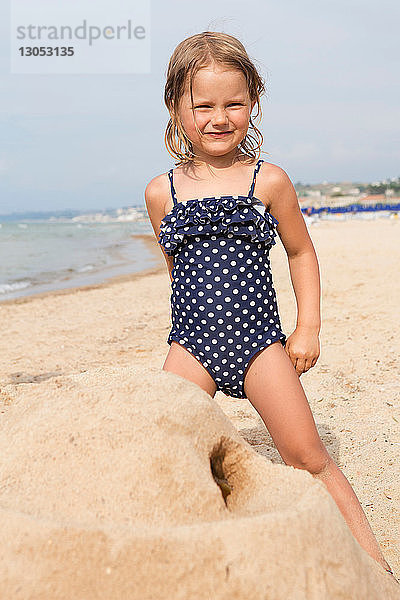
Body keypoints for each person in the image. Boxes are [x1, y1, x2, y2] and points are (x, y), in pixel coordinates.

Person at [145, 31, 397, 582]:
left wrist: (308, 328)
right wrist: (182, 335)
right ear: (175, 107)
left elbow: (302, 253)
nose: (219, 117)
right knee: (163, 448)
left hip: (260, 343)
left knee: (308, 458)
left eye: (233, 103)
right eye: (202, 105)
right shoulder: (160, 193)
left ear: (252, 102)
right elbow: (176, 271)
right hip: (190, 343)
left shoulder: (269, 181)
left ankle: (374, 569)